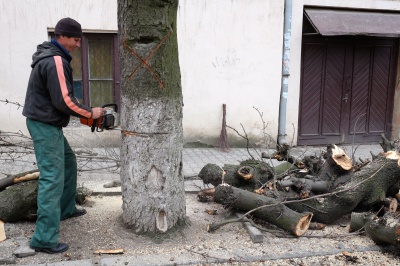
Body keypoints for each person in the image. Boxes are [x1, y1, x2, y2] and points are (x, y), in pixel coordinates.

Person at [22, 17, 106, 254]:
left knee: (68, 162)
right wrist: (91, 112)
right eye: (75, 39)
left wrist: (85, 111)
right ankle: (44, 239)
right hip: (44, 124)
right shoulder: (56, 60)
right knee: (52, 178)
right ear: (62, 36)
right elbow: (65, 100)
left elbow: (63, 96)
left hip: (46, 121)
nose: (78, 45)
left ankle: (66, 208)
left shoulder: (51, 55)